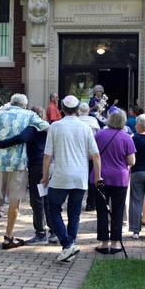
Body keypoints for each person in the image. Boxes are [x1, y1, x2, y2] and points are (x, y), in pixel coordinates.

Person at [0, 93, 49, 250]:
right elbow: (46, 126)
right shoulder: (29, 115)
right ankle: (8, 237)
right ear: (24, 105)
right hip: (17, 164)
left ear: (11, 102)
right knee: (14, 200)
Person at [42, 95, 101, 262]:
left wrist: (45, 176)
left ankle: (67, 245)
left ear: (62, 108)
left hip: (60, 176)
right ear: (77, 110)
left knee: (54, 210)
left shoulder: (55, 126)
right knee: (74, 214)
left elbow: (47, 156)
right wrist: (98, 177)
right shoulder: (85, 128)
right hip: (80, 177)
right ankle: (69, 246)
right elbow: (96, 155)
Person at [0, 105, 55, 244]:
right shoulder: (48, 127)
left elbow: (22, 138)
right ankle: (54, 231)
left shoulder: (33, 127)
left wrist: (1, 143)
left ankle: (40, 234)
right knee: (46, 198)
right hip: (49, 165)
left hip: (37, 167)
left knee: (37, 200)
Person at [93, 109, 136, 254]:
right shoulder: (126, 137)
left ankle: (103, 242)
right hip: (120, 179)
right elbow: (131, 161)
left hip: (100, 177)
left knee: (102, 211)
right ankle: (116, 243)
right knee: (118, 211)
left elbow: (92, 155)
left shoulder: (99, 135)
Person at [77, 102, 101, 212]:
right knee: (92, 180)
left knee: (78, 179)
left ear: (78, 111)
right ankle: (91, 203)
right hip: (91, 155)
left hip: (78, 155)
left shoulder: (75, 121)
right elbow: (98, 137)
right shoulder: (93, 121)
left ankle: (76, 202)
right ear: (88, 111)